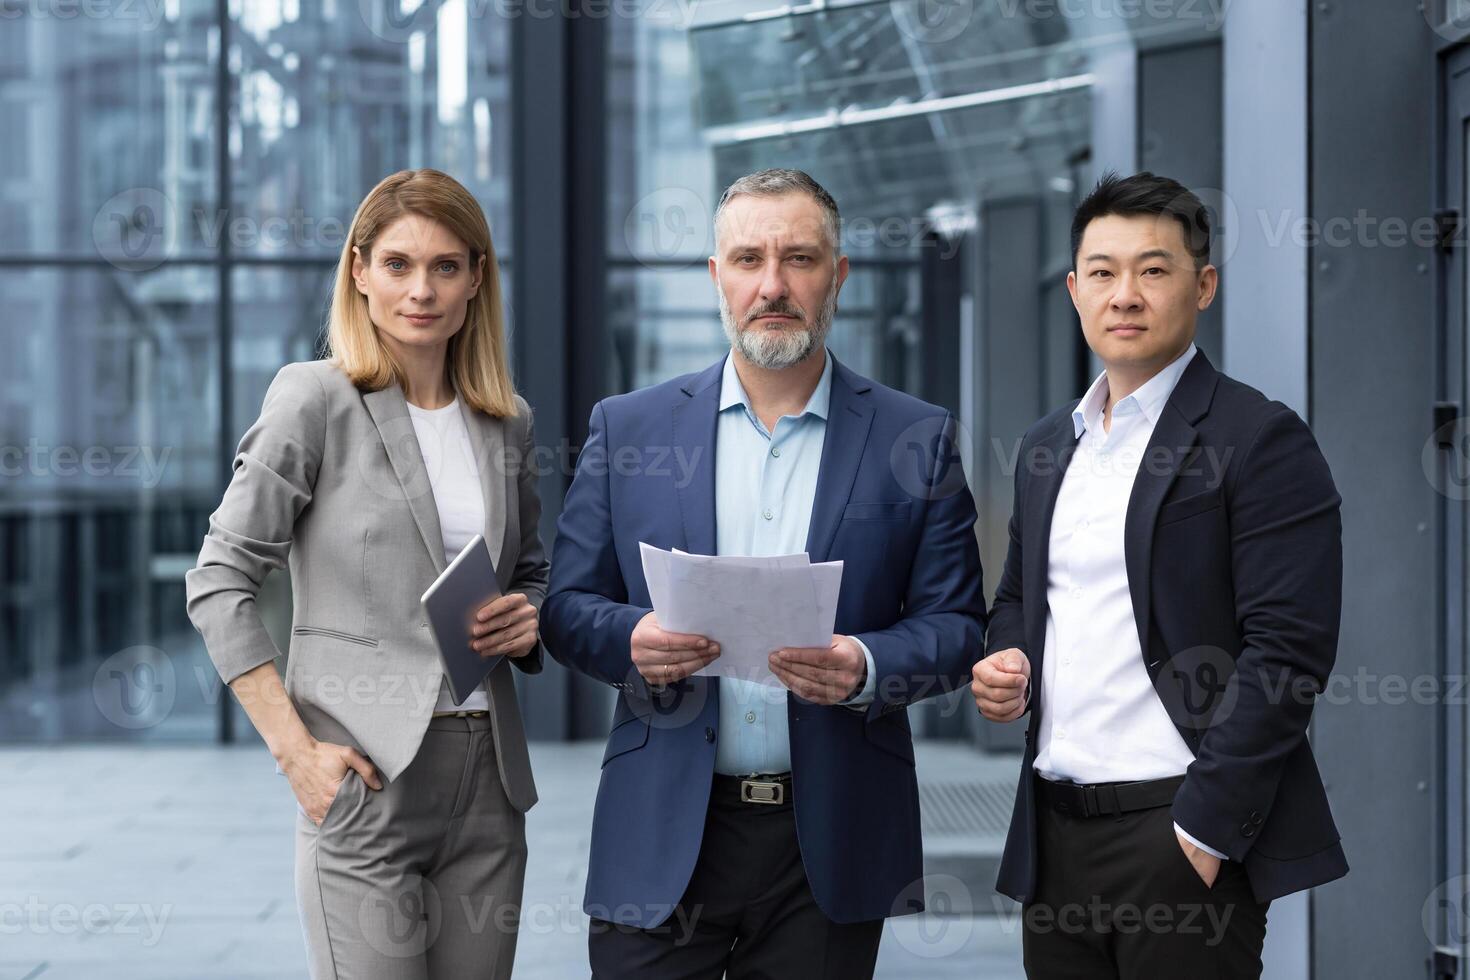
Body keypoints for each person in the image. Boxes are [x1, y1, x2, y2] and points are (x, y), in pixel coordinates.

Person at [541, 168, 986, 978]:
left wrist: (867, 666)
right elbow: (567, 607)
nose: (772, 285)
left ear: (838, 274)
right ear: (717, 276)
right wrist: (631, 638)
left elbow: (957, 627)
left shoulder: (915, 435)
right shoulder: (629, 428)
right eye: (748, 259)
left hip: (829, 842)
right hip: (661, 833)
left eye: (800, 259)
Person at [972, 171, 1348, 978]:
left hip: (1178, 830)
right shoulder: (1050, 445)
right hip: (1054, 833)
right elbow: (1019, 601)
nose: (1125, 295)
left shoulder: (1259, 438)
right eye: (1103, 273)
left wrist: (1204, 832)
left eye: (1154, 269)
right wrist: (1009, 661)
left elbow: (1288, 652)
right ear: (1074, 290)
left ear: (1203, 284)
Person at [186, 168, 547, 979]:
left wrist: (530, 615)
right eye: (398, 264)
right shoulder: (313, 399)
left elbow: (530, 569)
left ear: (476, 279)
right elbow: (218, 580)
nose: (421, 289)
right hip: (365, 777)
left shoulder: (507, 421)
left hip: (490, 783)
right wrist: (295, 753)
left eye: (446, 266)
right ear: (359, 271)